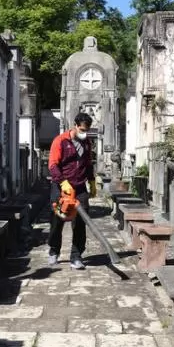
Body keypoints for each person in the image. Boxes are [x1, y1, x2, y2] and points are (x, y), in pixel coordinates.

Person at [48, 112, 97, 269]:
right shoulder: (60, 141)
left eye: (87, 130)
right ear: (75, 126)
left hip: (79, 186)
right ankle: (54, 251)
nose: (84, 133)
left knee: (81, 221)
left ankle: (76, 256)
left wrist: (92, 181)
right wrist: (63, 182)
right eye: (82, 130)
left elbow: (88, 164)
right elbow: (53, 165)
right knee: (58, 219)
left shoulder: (87, 143)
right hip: (61, 185)